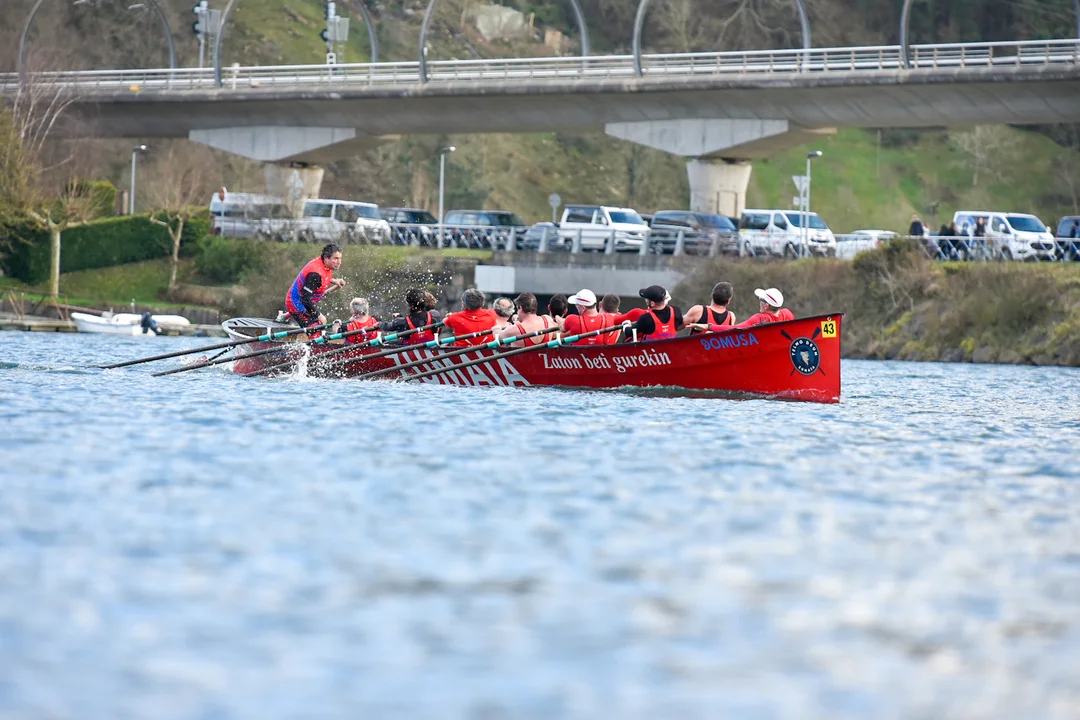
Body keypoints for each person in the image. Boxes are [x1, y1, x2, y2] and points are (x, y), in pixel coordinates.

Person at [285, 243, 345, 328]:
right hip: (297, 305)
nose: (339, 262)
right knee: (316, 329)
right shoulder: (315, 275)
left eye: (340, 258)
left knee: (318, 324)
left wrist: (334, 280)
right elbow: (305, 299)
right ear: (326, 258)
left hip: (305, 302)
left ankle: (284, 316)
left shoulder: (324, 264)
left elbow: (321, 278)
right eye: (336, 258)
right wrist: (319, 315)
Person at [698, 287, 792, 331]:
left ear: (766, 306)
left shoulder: (759, 318)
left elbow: (735, 328)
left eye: (760, 300)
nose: (759, 302)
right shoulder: (788, 314)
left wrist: (709, 326)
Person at [377, 287, 444, 345]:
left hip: (410, 350)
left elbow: (387, 326)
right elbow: (420, 322)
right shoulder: (435, 315)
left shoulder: (401, 322)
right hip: (431, 347)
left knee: (388, 342)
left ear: (408, 304)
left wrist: (379, 324)